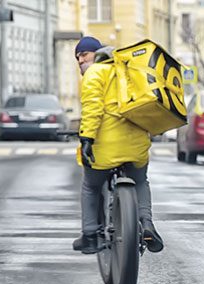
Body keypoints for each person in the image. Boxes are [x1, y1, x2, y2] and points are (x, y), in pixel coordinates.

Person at [71, 36, 164, 254]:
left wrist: (86, 139)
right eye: (77, 59)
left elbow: (93, 109)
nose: (81, 62)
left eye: (84, 55)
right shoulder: (131, 70)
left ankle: (90, 234)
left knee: (90, 186)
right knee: (140, 181)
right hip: (137, 144)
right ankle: (147, 224)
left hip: (106, 146)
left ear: (97, 53)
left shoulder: (95, 73)